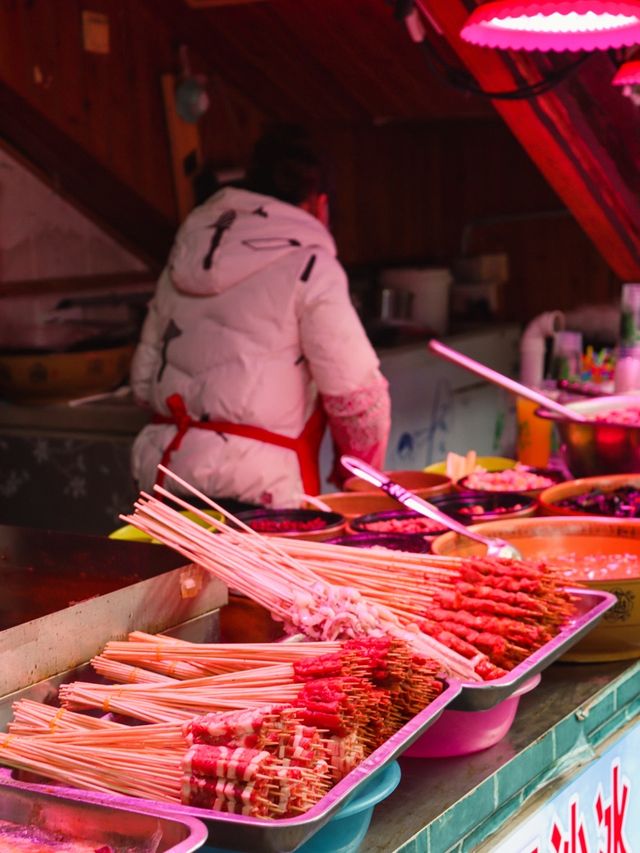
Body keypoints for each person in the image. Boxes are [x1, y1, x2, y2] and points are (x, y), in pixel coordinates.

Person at [130, 124, 391, 509]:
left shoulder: (183, 259)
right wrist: (358, 479)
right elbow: (359, 404)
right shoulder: (311, 265)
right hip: (258, 495)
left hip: (165, 480)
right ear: (319, 204)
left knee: (174, 574)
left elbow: (141, 384)